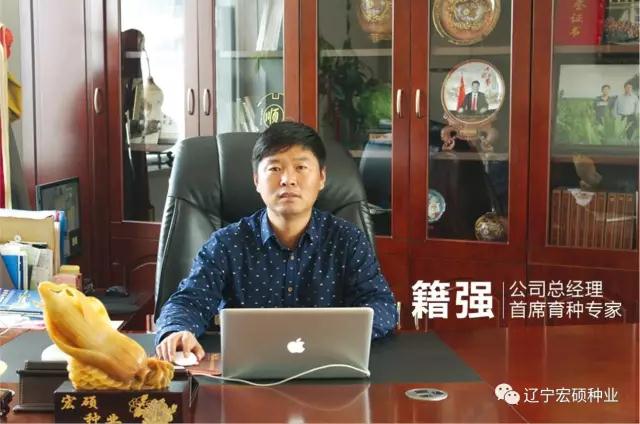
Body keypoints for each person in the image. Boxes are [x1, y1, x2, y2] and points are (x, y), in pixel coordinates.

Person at [154, 121, 398, 361]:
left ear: (322, 178)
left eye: (301, 167)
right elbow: (189, 300)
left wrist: (340, 334)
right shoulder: (227, 244)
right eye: (274, 168)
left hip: (329, 367)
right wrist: (177, 331)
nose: (287, 179)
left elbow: (382, 305)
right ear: (256, 181)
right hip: (247, 372)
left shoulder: (347, 241)